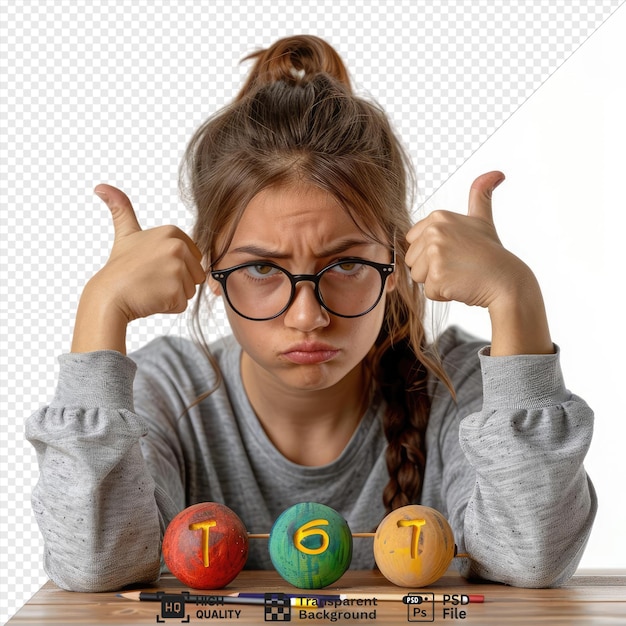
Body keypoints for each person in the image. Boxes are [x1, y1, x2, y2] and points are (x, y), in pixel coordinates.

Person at [26, 35, 596, 593]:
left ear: (397, 260)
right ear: (210, 273)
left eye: (346, 264)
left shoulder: (458, 384)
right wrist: (100, 309)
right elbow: (94, 565)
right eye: (262, 269)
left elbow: (532, 559)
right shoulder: (167, 391)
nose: (307, 317)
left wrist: (516, 298)